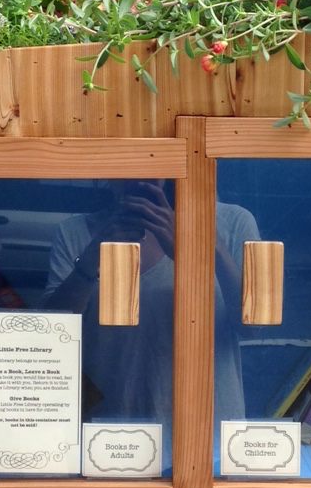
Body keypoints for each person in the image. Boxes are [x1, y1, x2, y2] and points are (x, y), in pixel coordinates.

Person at [44, 180, 258, 432]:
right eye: (128, 166)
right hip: (113, 427)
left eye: (154, 167)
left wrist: (203, 247)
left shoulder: (231, 222)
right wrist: (92, 258)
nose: (141, 178)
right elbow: (52, 335)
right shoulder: (77, 231)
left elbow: (252, 327)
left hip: (206, 427)